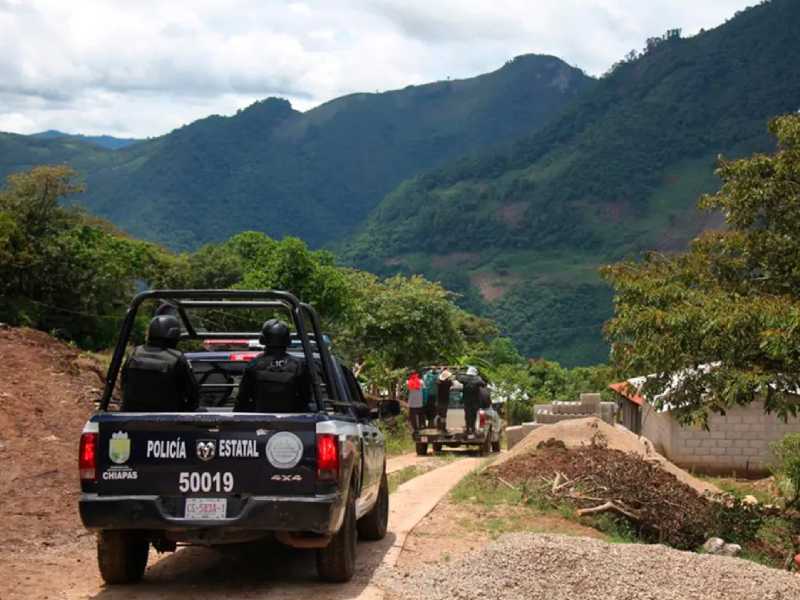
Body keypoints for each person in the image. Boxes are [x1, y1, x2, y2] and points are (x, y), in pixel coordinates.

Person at [121, 315, 199, 412]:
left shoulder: (133, 353)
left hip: (130, 418)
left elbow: (123, 383)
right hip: (167, 421)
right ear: (174, 334)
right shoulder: (177, 359)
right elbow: (193, 395)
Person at [235, 319, 312, 413]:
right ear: (287, 340)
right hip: (292, 423)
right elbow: (306, 397)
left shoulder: (254, 364)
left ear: (263, 339)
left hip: (258, 422)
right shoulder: (298, 365)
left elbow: (242, 398)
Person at [457, 366, 485, 435]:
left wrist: (459, 372)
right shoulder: (477, 378)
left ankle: (468, 428)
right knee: (474, 414)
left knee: (467, 414)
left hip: (467, 400)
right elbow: (483, 384)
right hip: (475, 400)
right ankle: (472, 428)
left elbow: (458, 378)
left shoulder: (464, 378)